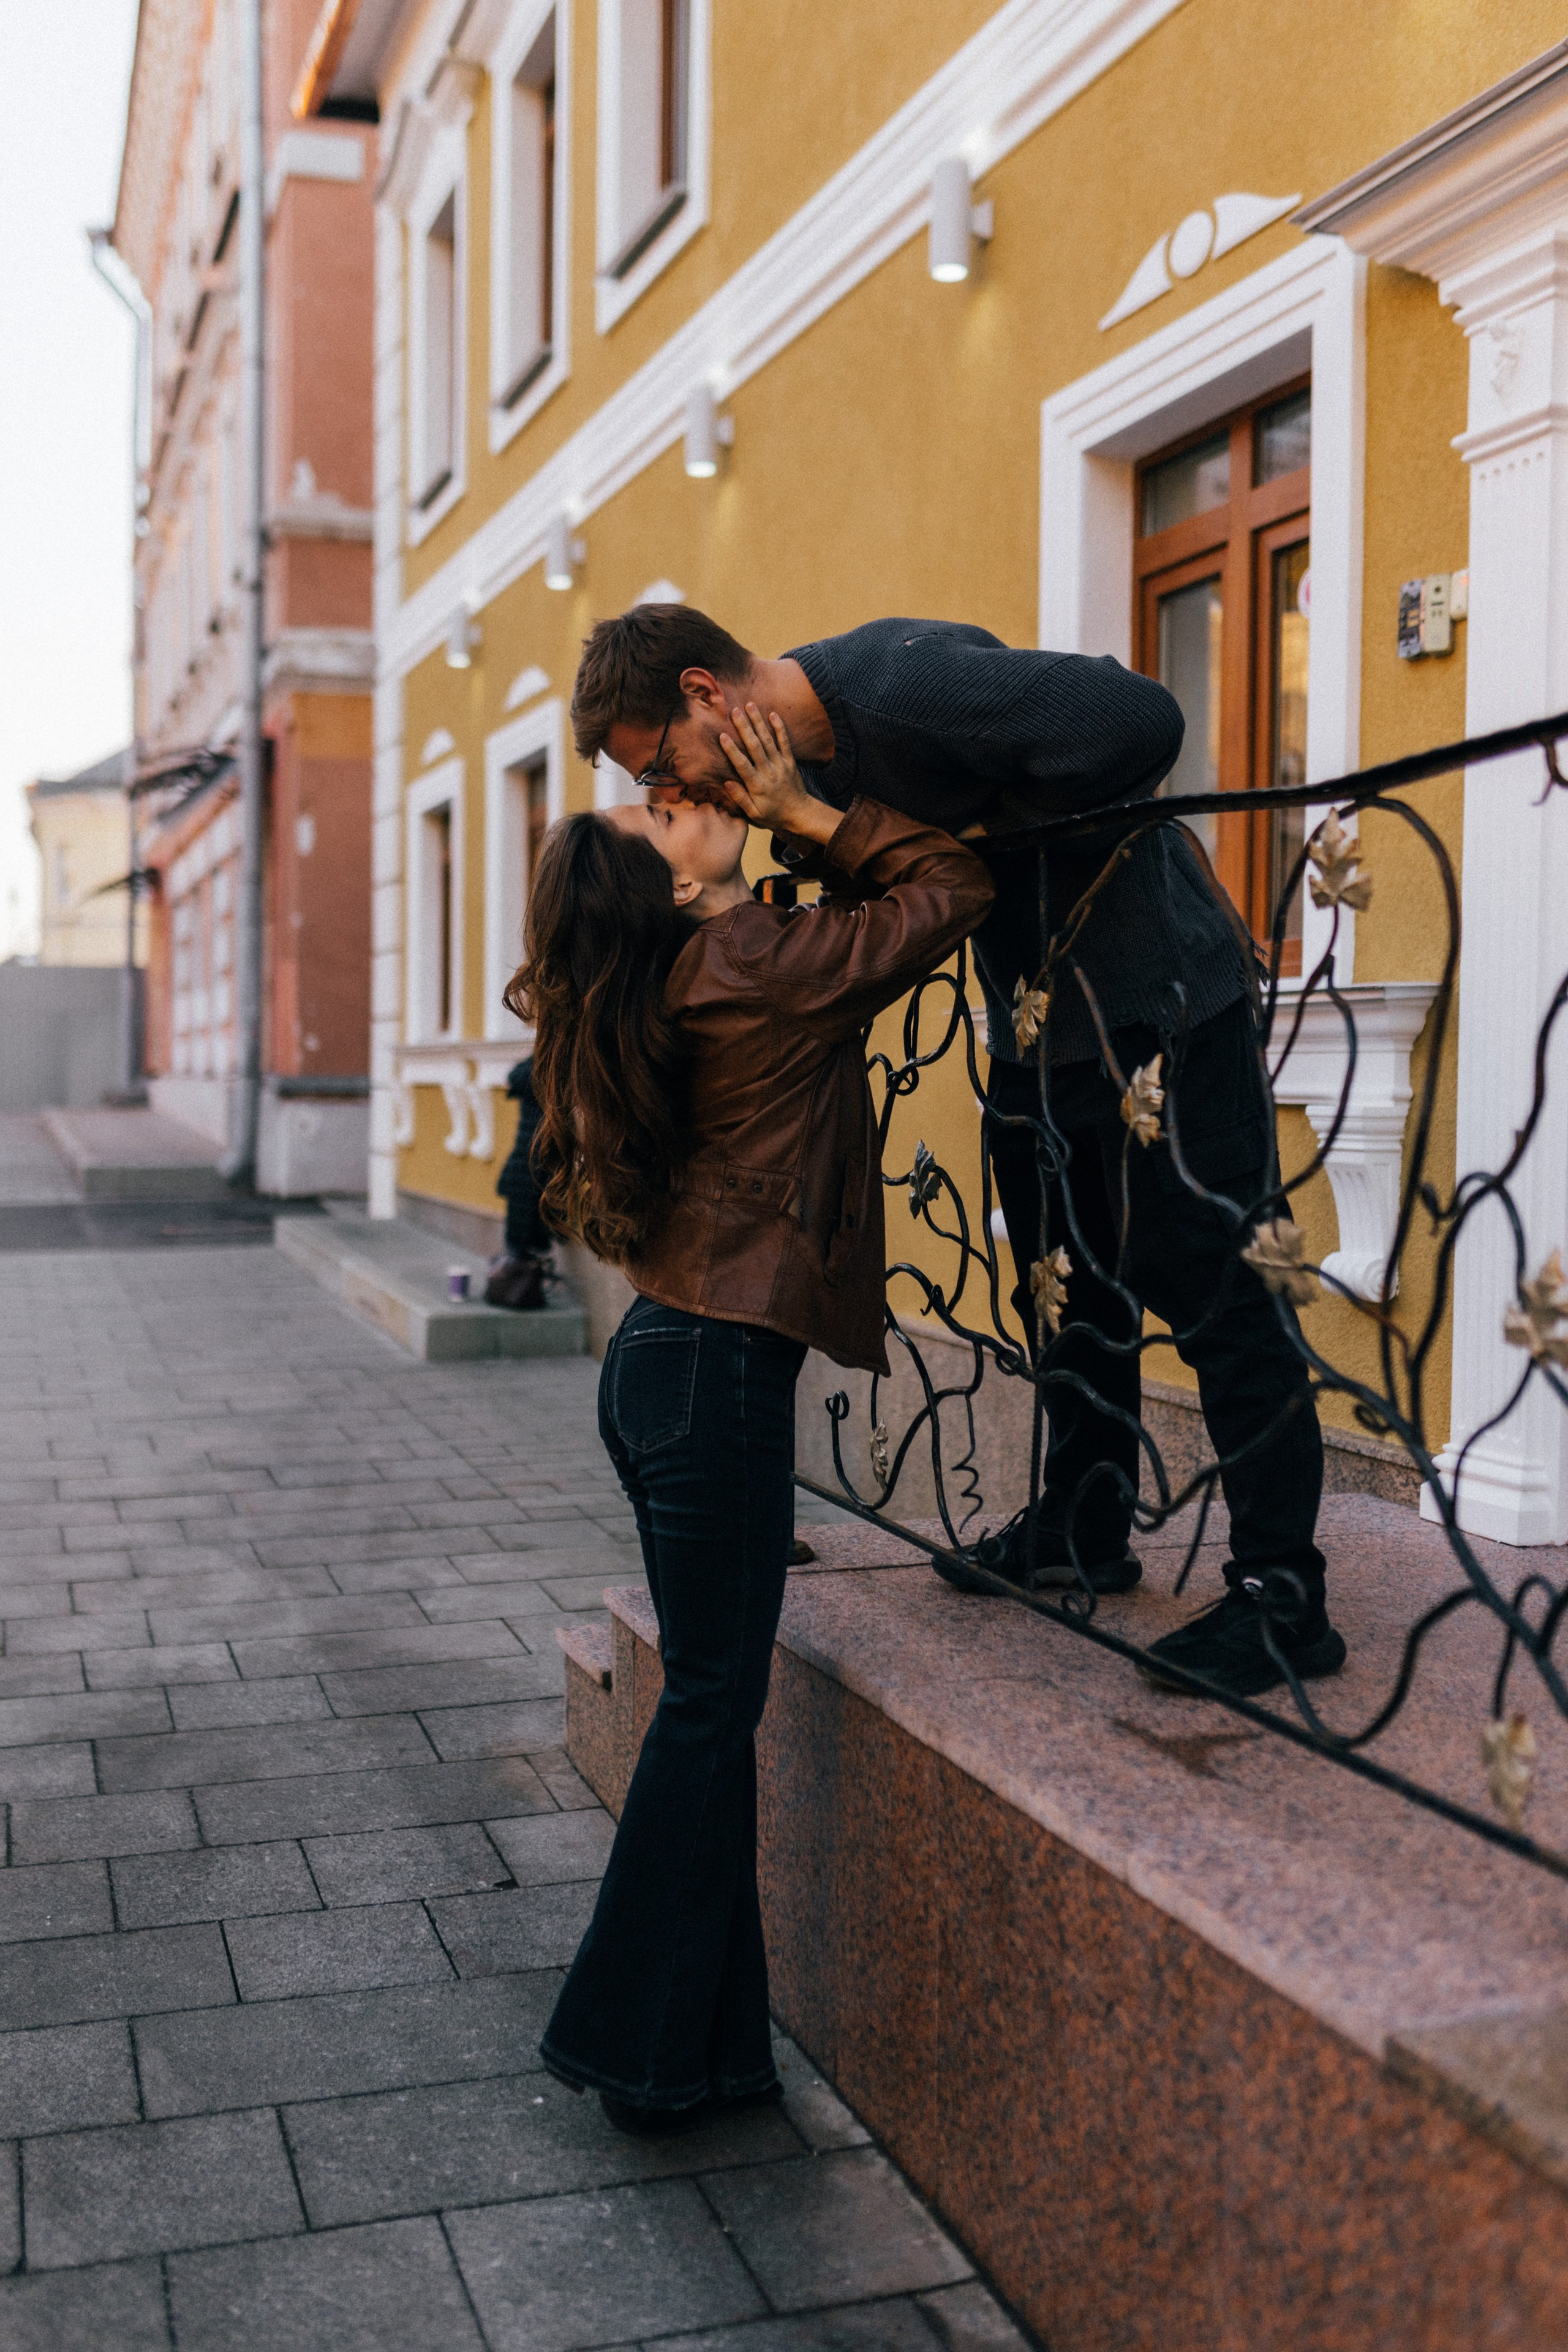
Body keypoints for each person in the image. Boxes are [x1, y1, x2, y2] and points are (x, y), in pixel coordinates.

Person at [568, 602, 1343, 1704]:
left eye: (665, 767)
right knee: (1065, 1283)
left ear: (704, 694)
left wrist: (1009, 825)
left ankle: (1282, 1597)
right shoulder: (807, 771)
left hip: (1161, 1001)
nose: (679, 795)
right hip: (1039, 1023)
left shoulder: (899, 681)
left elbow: (1141, 721)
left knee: (1221, 1290)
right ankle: (1085, 1525)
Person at [511, 701, 992, 2132]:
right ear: (664, 882)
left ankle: (706, 2050)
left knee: (710, 1711)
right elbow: (951, 891)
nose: (682, 794)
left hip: (664, 1362)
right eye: (657, 810)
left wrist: (747, 858)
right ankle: (621, 2039)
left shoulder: (674, 973)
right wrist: (801, 809)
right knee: (710, 1707)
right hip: (711, 1371)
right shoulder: (746, 959)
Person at [484, 1058, 552, 1310]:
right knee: (525, 1238)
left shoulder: (527, 1076)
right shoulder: (550, 1077)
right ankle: (521, 1291)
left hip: (522, 1164)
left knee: (519, 1235)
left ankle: (518, 1285)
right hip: (534, 1166)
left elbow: (515, 1073)